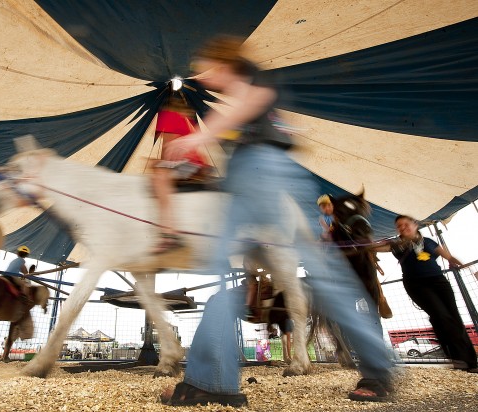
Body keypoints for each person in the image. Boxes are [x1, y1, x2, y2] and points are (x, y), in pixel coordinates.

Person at [160, 36, 394, 407]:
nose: (202, 78)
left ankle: (379, 368)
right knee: (223, 268)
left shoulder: (253, 80)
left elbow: (250, 102)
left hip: (264, 173)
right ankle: (212, 381)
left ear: (225, 65)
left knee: (321, 278)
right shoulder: (240, 97)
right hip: (245, 180)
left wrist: (199, 136)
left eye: (207, 69)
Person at [375, 215, 477, 373]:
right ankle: (459, 358)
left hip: (439, 282)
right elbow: (371, 248)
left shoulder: (428, 242)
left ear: (415, 225)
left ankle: (469, 361)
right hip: (416, 285)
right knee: (441, 315)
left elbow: (449, 257)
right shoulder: (396, 245)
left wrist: (469, 268)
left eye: (406, 224)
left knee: (453, 317)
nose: (403, 228)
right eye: (399, 226)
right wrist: (365, 244)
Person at [150, 94, 210, 254]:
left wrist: (155, 164)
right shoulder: (186, 118)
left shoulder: (167, 115)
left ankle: (169, 234)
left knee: (160, 177)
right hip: (197, 163)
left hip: (188, 163)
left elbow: (168, 152)